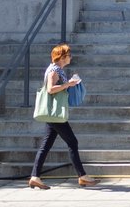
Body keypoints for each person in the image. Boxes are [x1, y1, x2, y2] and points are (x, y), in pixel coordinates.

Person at [27, 44, 97, 189]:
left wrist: (70, 84)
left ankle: (35, 176)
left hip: (53, 114)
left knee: (46, 145)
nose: (70, 57)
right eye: (68, 55)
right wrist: (67, 85)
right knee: (72, 142)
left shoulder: (57, 69)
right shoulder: (54, 70)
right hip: (55, 114)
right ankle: (82, 176)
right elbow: (51, 89)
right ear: (62, 57)